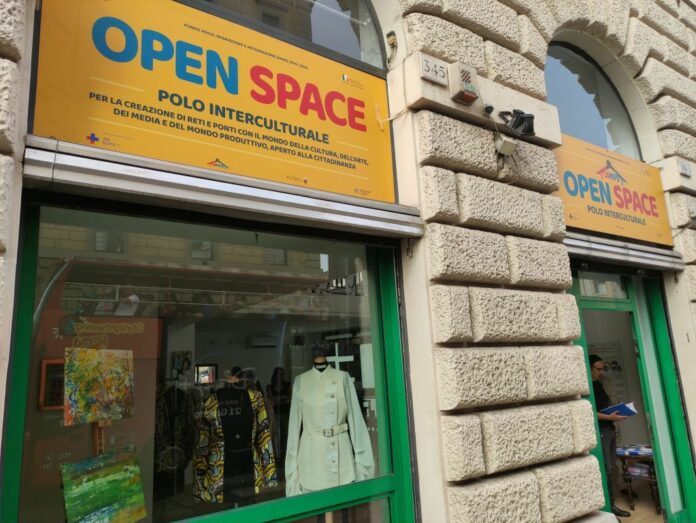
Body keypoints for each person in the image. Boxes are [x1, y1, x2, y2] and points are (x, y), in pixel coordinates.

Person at [590, 354, 631, 518]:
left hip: (610, 429)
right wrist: (609, 417)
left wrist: (616, 414)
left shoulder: (600, 383)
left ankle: (611, 505)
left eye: (603, 369)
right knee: (606, 469)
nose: (602, 372)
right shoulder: (588, 387)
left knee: (612, 466)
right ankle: (609, 507)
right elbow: (591, 412)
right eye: (599, 369)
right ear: (590, 368)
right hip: (601, 431)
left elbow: (605, 406)